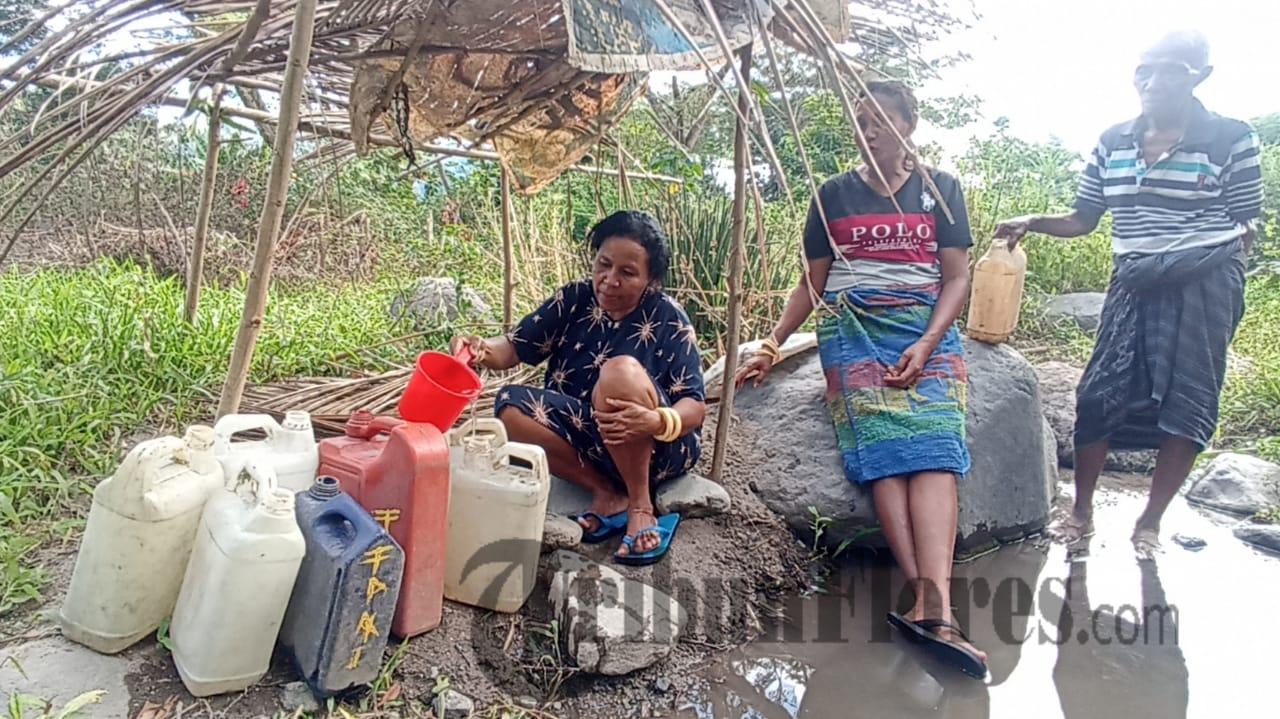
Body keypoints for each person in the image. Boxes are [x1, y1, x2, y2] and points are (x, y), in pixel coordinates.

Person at [735, 79, 986, 677]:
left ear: (909, 126)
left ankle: (936, 604)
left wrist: (927, 345)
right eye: (860, 118)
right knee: (884, 451)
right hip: (855, 334)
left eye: (879, 118)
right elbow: (813, 284)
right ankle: (927, 601)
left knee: (936, 449)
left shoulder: (940, 191)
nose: (866, 127)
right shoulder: (832, 197)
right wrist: (771, 344)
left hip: (924, 332)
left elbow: (956, 278)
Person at [994, 31, 1264, 560]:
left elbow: (1246, 221)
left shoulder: (1230, 137)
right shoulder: (1114, 139)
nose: (1153, 81)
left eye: (1171, 70)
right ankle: (1081, 511)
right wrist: (1031, 221)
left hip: (1203, 285)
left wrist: (1204, 261)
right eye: (1145, 70)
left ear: (1199, 75)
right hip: (1133, 278)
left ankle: (1151, 522)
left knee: (1188, 401)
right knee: (1097, 395)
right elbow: (1084, 218)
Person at [452, 210, 705, 565]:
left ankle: (640, 504)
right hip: (590, 435)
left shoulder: (668, 318)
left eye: (627, 273)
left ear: (651, 280)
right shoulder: (574, 299)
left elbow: (694, 404)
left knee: (619, 372)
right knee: (509, 405)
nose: (609, 280)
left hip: (655, 445)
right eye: (603, 264)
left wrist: (656, 421)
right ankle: (606, 492)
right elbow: (515, 348)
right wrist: (480, 350)